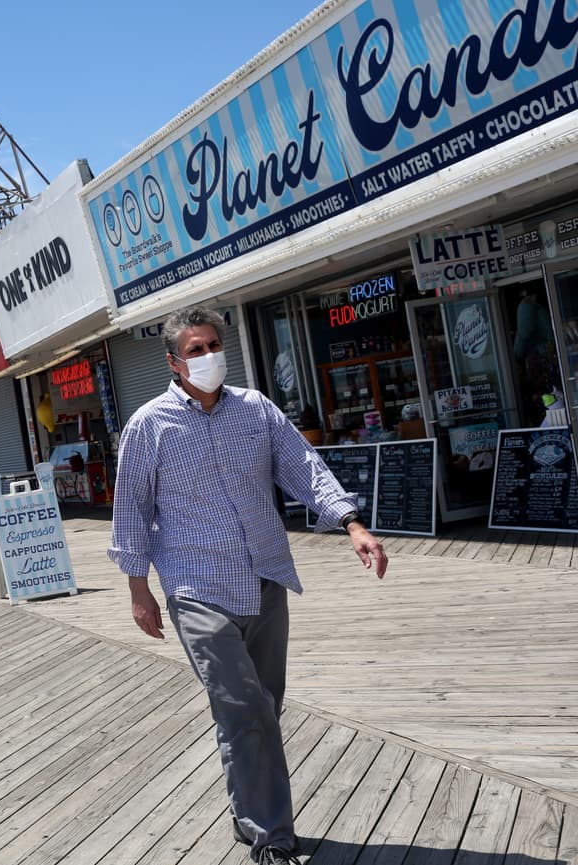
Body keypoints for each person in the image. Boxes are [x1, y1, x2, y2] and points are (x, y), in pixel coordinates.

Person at [108, 307, 388, 865]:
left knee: (264, 707)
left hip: (264, 577)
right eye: (194, 349)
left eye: (213, 344)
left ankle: (247, 810)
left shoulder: (256, 410)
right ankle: (273, 839)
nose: (208, 355)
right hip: (195, 586)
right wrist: (138, 590)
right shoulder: (149, 425)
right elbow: (131, 511)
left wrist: (351, 524)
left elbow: (304, 468)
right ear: (173, 361)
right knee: (244, 708)